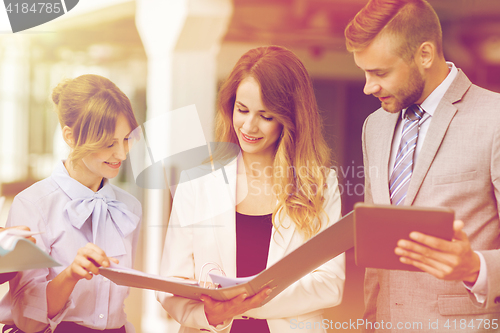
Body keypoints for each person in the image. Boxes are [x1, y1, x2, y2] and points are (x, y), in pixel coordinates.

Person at [156, 45, 345, 333]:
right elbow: (171, 285)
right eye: (241, 110)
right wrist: (212, 314)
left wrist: (246, 302)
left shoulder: (320, 185)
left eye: (265, 116)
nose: (249, 125)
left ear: (290, 119)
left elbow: (330, 284)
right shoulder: (196, 183)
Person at [344, 0, 500, 331]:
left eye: (380, 72)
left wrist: (475, 267)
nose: (368, 86)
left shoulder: (495, 120)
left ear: (425, 55)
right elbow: (376, 257)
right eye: (364, 71)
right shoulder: (375, 125)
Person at [0, 74, 142, 333]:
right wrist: (71, 275)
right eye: (109, 143)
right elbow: (28, 319)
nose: (121, 154)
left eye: (126, 139)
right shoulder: (32, 205)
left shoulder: (129, 207)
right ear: (71, 136)